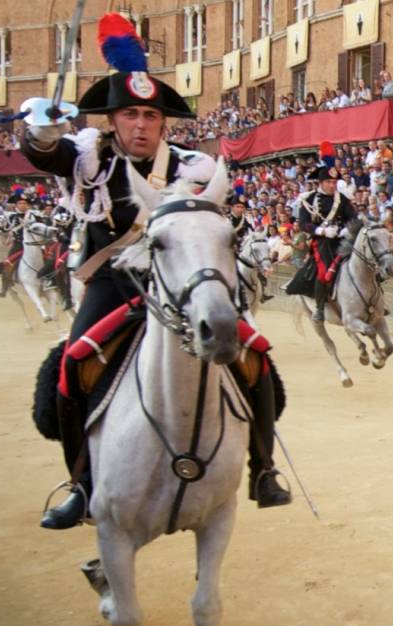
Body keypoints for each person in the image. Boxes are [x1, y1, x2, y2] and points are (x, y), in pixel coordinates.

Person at [20, 13, 289, 530]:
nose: (140, 126)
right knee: (71, 368)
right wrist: (42, 131)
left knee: (257, 360)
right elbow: (43, 154)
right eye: (129, 116)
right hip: (113, 286)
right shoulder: (86, 157)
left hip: (181, 284)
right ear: (113, 120)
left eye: (149, 116)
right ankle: (81, 486)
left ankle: (263, 469)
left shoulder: (194, 168)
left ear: (162, 122)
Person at [288, 166, 357, 321]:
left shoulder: (342, 199)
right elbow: (304, 223)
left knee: (366, 260)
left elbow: (353, 218)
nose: (332, 185)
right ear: (320, 183)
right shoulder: (308, 199)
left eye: (334, 182)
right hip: (322, 242)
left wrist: (345, 230)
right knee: (324, 270)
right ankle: (319, 307)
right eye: (328, 182)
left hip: (342, 239)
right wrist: (321, 231)